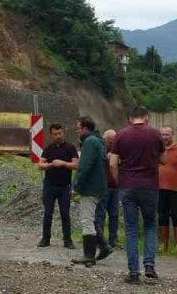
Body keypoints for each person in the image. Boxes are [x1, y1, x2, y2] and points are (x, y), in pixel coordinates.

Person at [112, 106, 166, 283]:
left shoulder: (121, 134)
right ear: (147, 118)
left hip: (127, 185)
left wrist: (119, 181)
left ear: (130, 118)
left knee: (131, 229)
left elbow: (112, 163)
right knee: (150, 225)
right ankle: (149, 265)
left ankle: (133, 272)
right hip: (150, 185)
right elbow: (164, 159)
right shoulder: (155, 134)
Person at [70, 117, 108, 267]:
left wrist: (76, 187)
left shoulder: (89, 142)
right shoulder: (97, 141)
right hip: (97, 186)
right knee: (90, 219)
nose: (77, 131)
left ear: (85, 128)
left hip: (90, 188)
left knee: (86, 220)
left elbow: (84, 167)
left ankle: (88, 255)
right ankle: (104, 246)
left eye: (78, 128)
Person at [37, 122, 78, 249]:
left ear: (63, 132)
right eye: (55, 134)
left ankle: (67, 240)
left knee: (65, 213)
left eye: (60, 133)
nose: (58, 136)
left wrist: (63, 163)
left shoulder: (70, 148)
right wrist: (50, 164)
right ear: (51, 135)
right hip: (49, 185)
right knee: (48, 213)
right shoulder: (48, 149)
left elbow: (76, 165)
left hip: (65, 186)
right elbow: (40, 165)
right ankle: (45, 239)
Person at [94, 129, 120, 260]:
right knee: (100, 214)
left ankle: (113, 239)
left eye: (113, 141)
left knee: (114, 215)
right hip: (103, 187)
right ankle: (100, 240)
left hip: (115, 187)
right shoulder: (101, 150)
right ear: (105, 140)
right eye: (110, 141)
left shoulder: (119, 150)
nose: (112, 143)